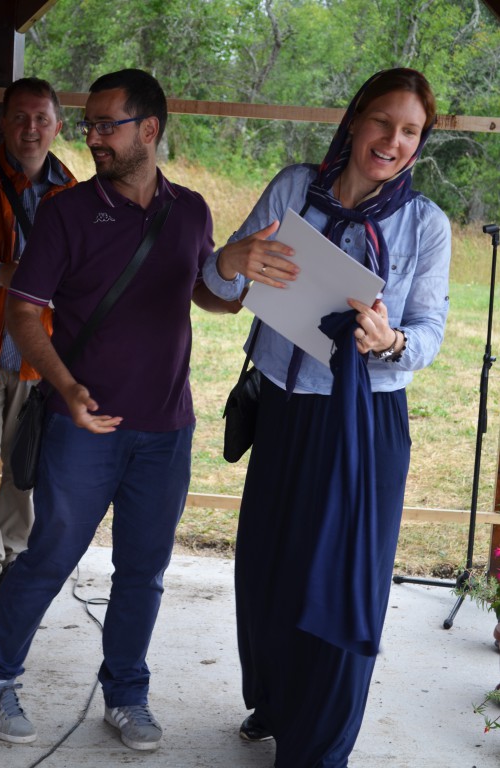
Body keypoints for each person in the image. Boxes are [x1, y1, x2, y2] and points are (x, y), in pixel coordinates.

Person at [203, 68, 451, 767]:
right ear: (355, 119)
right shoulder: (293, 190)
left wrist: (391, 341)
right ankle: (277, 702)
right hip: (283, 410)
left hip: (364, 423)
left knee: (341, 582)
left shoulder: (425, 224)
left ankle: (318, 748)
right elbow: (217, 284)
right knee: (268, 570)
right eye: (383, 122)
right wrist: (231, 258)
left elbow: (429, 330)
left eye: (410, 131)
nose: (393, 141)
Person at [0, 68, 236, 751]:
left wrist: (235, 266)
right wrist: (66, 388)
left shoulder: (190, 210)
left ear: (148, 130)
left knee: (143, 572)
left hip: (166, 428)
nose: (94, 137)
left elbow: (209, 294)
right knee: (48, 555)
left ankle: (126, 694)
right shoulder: (68, 211)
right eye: (90, 125)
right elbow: (23, 313)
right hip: (83, 426)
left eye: (107, 125)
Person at [0, 78, 76, 599]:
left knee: (23, 467)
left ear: (57, 127)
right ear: (3, 123)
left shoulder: (76, 195)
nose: (30, 128)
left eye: (41, 119)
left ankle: (14, 566)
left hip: (35, 354)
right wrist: (1, 272)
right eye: (20, 117)